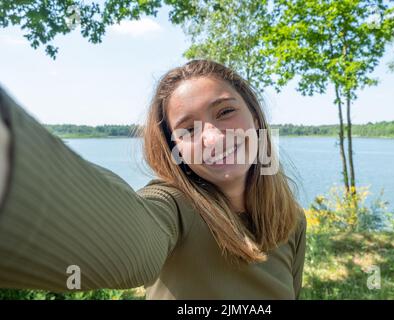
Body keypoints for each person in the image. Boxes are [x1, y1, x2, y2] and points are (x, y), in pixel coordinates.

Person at [0, 59, 307, 299]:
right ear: (177, 150)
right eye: (188, 130)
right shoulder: (173, 207)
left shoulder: (291, 218)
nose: (213, 139)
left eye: (225, 111)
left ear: (255, 117)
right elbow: (129, 242)